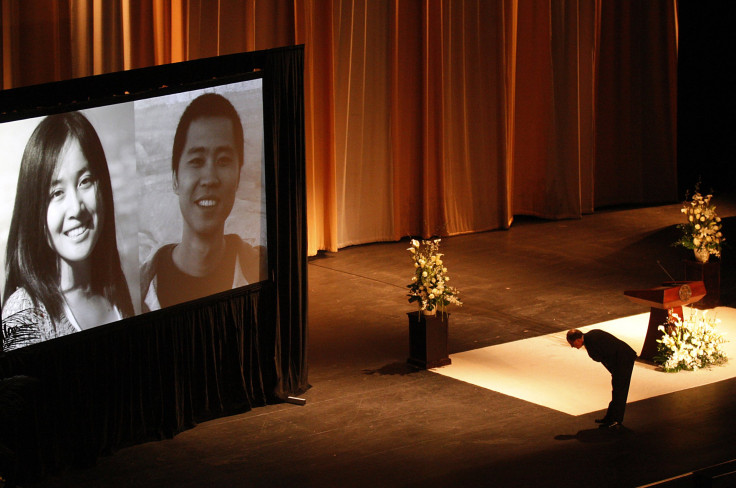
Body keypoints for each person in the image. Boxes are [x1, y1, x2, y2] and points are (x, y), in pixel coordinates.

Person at [2, 112, 134, 351]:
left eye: (85, 181)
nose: (76, 208)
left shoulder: (114, 289)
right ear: (34, 211)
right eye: (56, 193)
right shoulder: (22, 313)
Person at [140, 93, 263, 312]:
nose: (209, 179)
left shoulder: (264, 268)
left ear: (238, 177)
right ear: (175, 178)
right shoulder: (139, 289)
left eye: (223, 161)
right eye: (196, 161)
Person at [567, 328, 637, 431]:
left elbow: (602, 356)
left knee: (619, 391)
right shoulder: (591, 336)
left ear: (578, 340)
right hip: (621, 360)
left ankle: (616, 419)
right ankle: (610, 418)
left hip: (623, 360)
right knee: (617, 390)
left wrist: (615, 371)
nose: (573, 347)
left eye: (572, 344)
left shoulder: (591, 343)